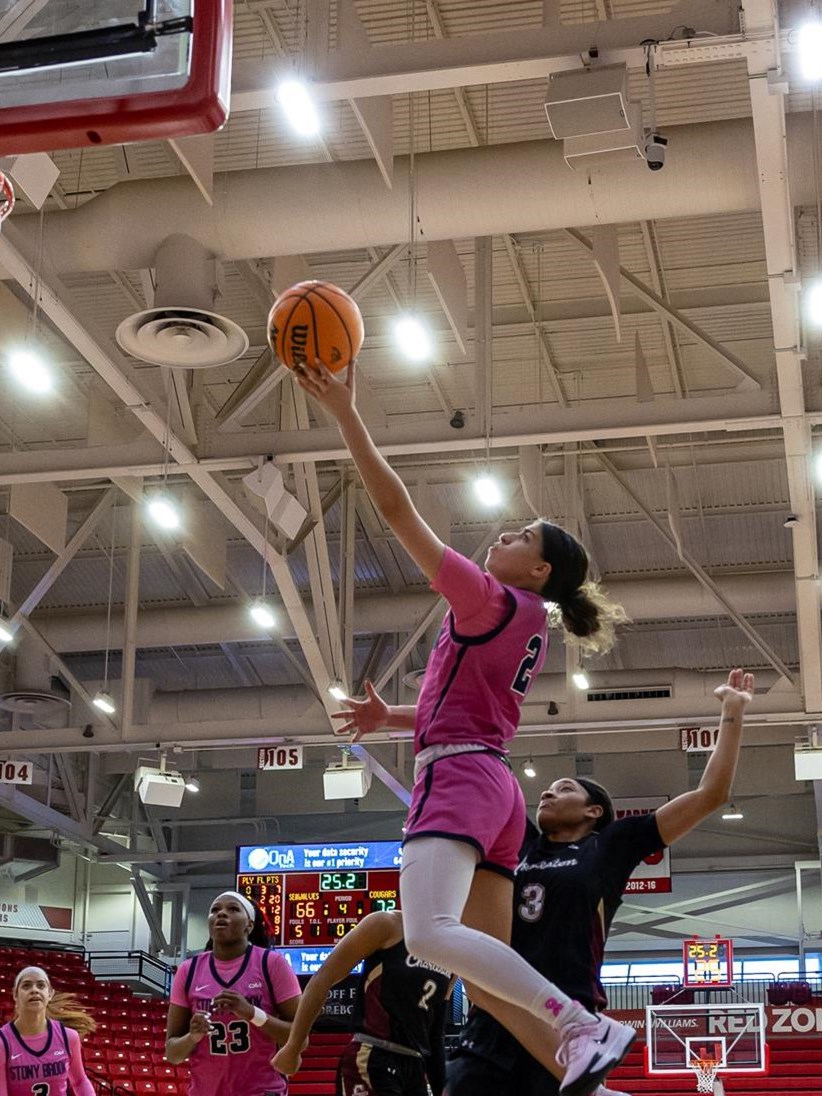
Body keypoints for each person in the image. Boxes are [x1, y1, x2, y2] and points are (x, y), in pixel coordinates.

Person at [294, 361, 634, 1096]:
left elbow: (395, 510)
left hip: (459, 778)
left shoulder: (490, 599)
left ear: (537, 569)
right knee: (482, 983)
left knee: (427, 935)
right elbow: (469, 712)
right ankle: (587, 1075)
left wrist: (348, 415)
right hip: (497, 785)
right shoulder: (531, 624)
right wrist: (393, 717)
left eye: (518, 535)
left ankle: (579, 1025)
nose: (501, 536)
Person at [444, 673, 755, 1096]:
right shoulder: (519, 842)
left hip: (565, 1019)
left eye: (564, 789)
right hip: (496, 1015)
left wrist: (732, 711)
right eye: (547, 791)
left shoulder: (610, 845)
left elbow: (711, 794)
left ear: (594, 810)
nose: (548, 795)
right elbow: (484, 781)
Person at [270, 911, 452, 1096]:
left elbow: (435, 1034)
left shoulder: (452, 952)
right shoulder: (387, 924)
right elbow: (322, 978)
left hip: (415, 1065)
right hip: (374, 1056)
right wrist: (293, 1046)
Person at [165, 892, 302, 1096]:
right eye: (215, 910)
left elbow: (301, 1038)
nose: (221, 914)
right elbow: (173, 1054)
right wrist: (193, 1037)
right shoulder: (188, 970)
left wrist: (252, 1013)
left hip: (263, 1091)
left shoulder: (271, 963)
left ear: (249, 925)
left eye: (233, 909)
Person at [0, 967, 95, 1096]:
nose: (34, 990)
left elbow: (80, 1081)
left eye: (41, 985)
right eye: (26, 986)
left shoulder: (69, 1037)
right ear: (15, 994)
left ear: (50, 994)